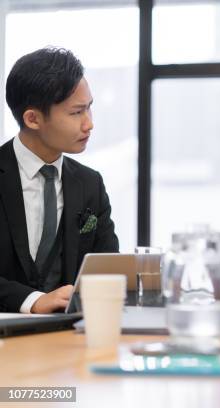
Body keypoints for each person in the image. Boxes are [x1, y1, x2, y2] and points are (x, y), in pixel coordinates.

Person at [0, 47, 119, 314]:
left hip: (67, 338)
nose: (89, 124)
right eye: (76, 113)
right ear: (33, 118)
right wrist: (32, 300)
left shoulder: (91, 184)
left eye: (89, 108)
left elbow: (107, 267)